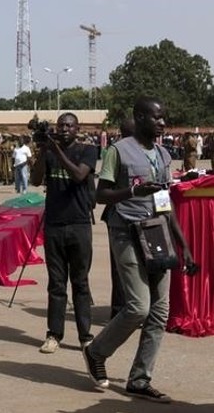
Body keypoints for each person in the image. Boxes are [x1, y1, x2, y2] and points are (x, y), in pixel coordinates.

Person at [83, 97, 196, 402]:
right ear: (141, 118)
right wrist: (132, 191)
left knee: (160, 312)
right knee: (138, 307)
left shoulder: (162, 154)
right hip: (125, 232)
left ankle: (139, 379)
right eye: (157, 118)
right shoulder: (117, 151)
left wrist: (184, 247)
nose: (162, 123)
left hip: (157, 233)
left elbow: (164, 202)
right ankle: (96, 351)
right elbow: (101, 195)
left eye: (164, 118)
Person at [29, 113, 97, 354]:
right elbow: (35, 180)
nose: (65, 129)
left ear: (77, 128)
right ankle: (53, 334)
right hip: (54, 225)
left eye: (69, 125)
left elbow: (79, 176)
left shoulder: (87, 151)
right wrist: (43, 151)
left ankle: (85, 336)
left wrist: (56, 151)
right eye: (61, 125)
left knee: (80, 283)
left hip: (79, 224)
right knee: (56, 284)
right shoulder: (49, 152)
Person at [103, 118, 135, 319]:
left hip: (137, 215)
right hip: (120, 216)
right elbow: (104, 190)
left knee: (125, 268)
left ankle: (126, 309)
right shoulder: (117, 152)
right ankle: (119, 311)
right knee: (121, 267)